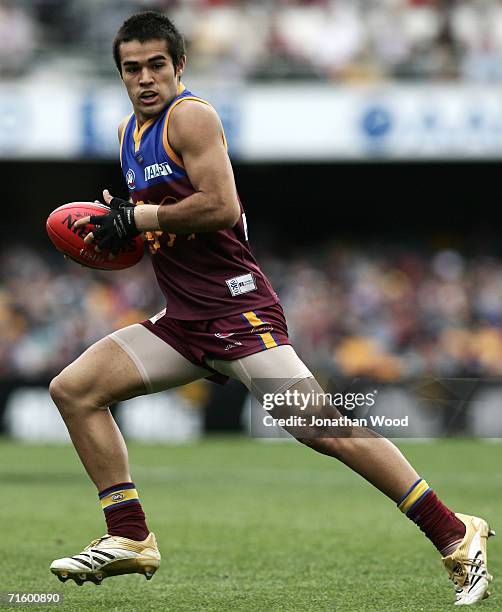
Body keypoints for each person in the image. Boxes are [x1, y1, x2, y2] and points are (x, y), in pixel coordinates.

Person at [49, 11, 494, 605]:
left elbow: (219, 207)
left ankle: (455, 533)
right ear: (120, 74)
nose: (147, 78)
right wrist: (119, 224)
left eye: (158, 64)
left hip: (237, 313)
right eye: (133, 68)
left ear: (179, 65)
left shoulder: (192, 116)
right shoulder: (130, 133)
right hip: (184, 321)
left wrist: (141, 216)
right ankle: (129, 536)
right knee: (74, 390)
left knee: (324, 429)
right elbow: (160, 222)